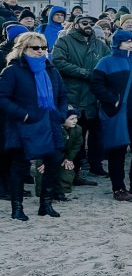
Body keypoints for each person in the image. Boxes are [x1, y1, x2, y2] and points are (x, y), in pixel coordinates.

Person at [0, 32, 68, 220]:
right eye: (35, 48)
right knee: (19, 167)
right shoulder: (12, 70)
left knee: (53, 162)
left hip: (49, 122)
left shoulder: (51, 69)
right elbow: (2, 97)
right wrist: (24, 114)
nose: (40, 51)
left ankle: (45, 204)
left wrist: (61, 115)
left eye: (44, 48)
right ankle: (17, 208)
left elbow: (62, 94)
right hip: (23, 124)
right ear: (23, 48)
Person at [90, 30, 132, 202]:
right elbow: (96, 86)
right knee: (117, 151)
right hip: (120, 115)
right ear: (117, 43)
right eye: (126, 41)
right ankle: (118, 188)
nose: (130, 44)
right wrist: (113, 101)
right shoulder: (105, 63)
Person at [52, 13, 112, 182]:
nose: (88, 25)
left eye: (91, 23)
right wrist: (84, 73)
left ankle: (96, 166)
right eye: (84, 22)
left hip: (94, 97)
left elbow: (110, 62)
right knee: (76, 135)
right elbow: (58, 62)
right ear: (76, 24)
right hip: (74, 95)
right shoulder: (65, 41)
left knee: (96, 135)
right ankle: (74, 172)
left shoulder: (100, 45)